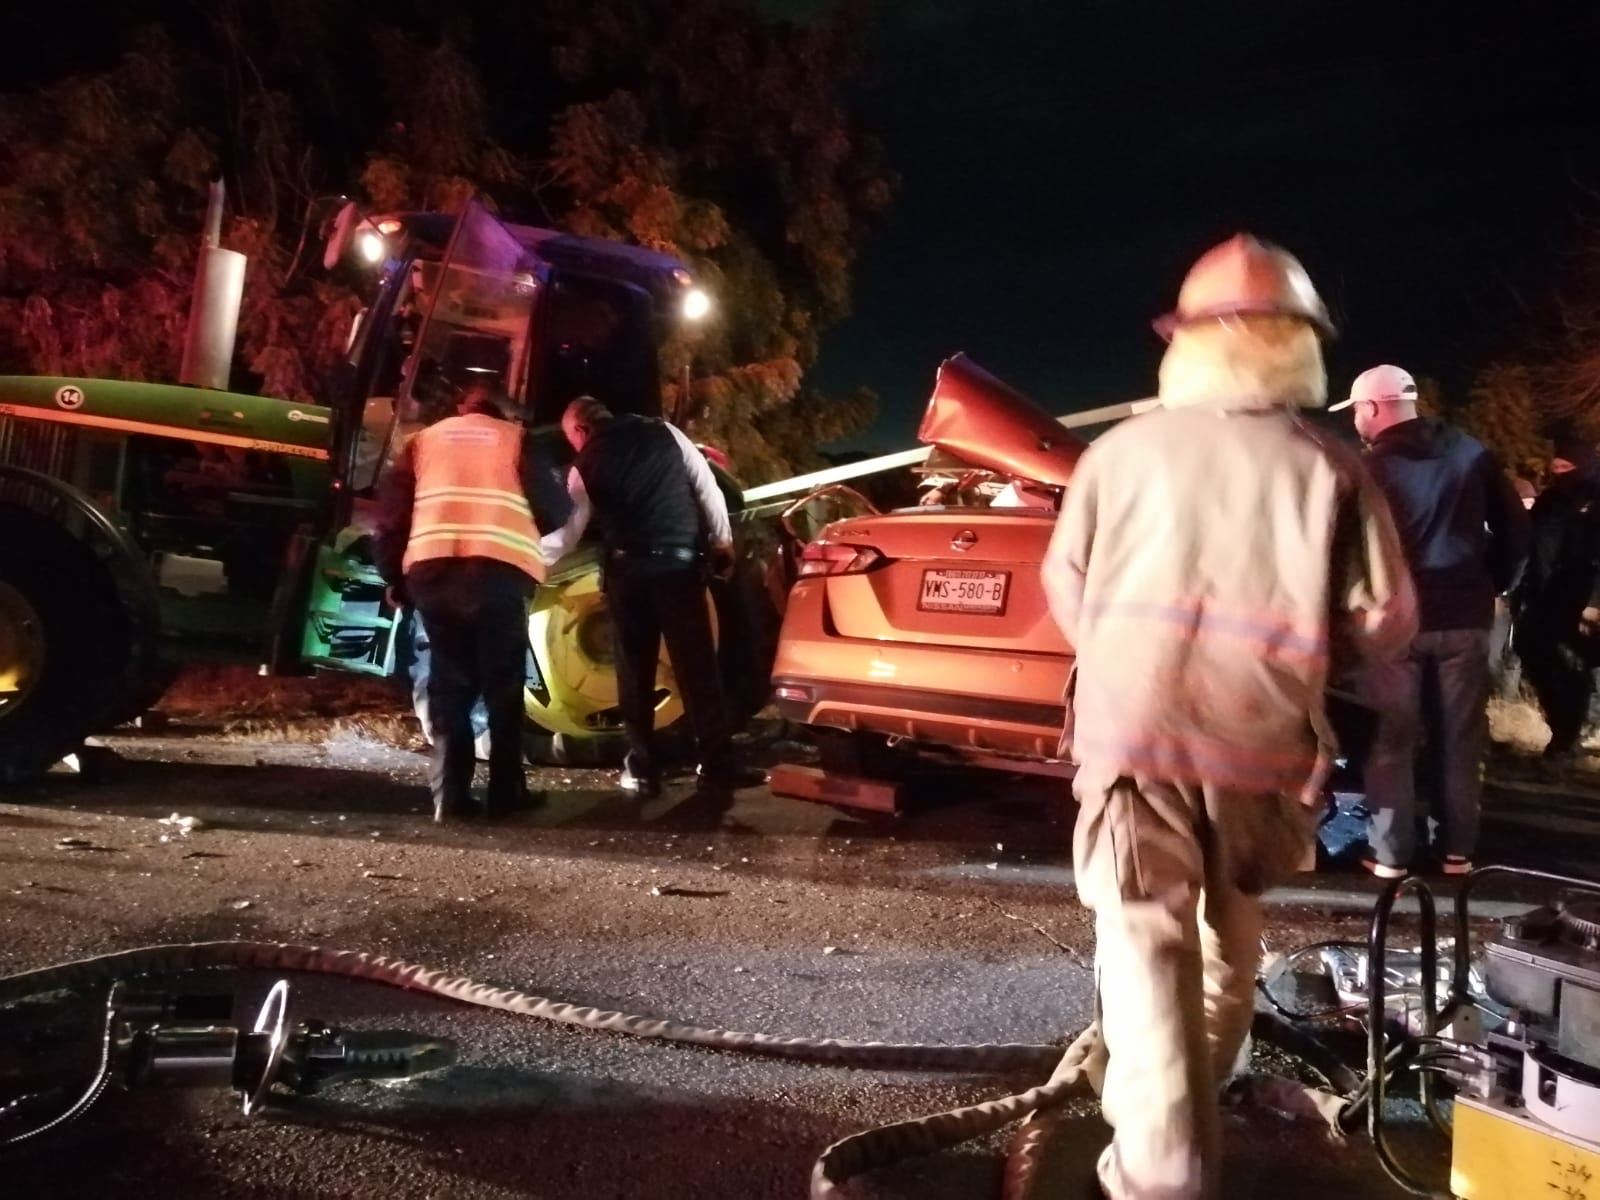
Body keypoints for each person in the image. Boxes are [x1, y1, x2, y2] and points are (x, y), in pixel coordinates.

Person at [1041, 233, 1417, 1200]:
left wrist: (1137, 659)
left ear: (1186, 344)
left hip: (1136, 744)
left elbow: (1069, 592)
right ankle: (1194, 1106)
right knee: (1223, 947)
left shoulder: (1117, 456)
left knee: (1146, 952)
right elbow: (1382, 622)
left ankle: (1163, 1174)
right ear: (1299, 343)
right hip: (1260, 751)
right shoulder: (1331, 469)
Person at [1329, 364, 1530, 877]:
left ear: (1373, 407)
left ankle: (1390, 854)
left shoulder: (1369, 468)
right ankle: (1456, 851)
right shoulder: (1473, 454)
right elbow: (1516, 532)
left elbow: (1342, 548)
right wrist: (1492, 584)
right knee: (1458, 739)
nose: (1356, 421)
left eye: (1356, 411)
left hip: (1394, 624)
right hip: (1464, 618)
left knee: (1389, 738)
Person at [545, 396, 765, 798]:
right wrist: (723, 541)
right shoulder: (666, 432)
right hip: (680, 567)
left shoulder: (584, 465)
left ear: (580, 430)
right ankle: (717, 764)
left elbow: (568, 534)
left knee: (635, 671)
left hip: (629, 573)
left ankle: (644, 768)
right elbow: (707, 487)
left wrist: (531, 562)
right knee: (697, 668)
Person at [374, 378, 565, 823]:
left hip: (434, 576)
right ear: (502, 412)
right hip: (498, 575)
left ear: (463, 408)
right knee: (503, 688)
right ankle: (505, 793)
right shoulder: (517, 441)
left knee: (450, 686)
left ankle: (450, 797)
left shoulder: (422, 443)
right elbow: (557, 508)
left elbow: (391, 518)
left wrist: (393, 578)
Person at [1513, 434, 1600, 765]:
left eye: (1568, 467)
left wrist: (1594, 602)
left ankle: (1570, 736)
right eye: (1557, 467)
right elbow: (1529, 547)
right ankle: (1564, 729)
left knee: (1576, 667)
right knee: (1534, 654)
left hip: (1580, 599)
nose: (1560, 472)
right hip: (1542, 598)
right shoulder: (1551, 500)